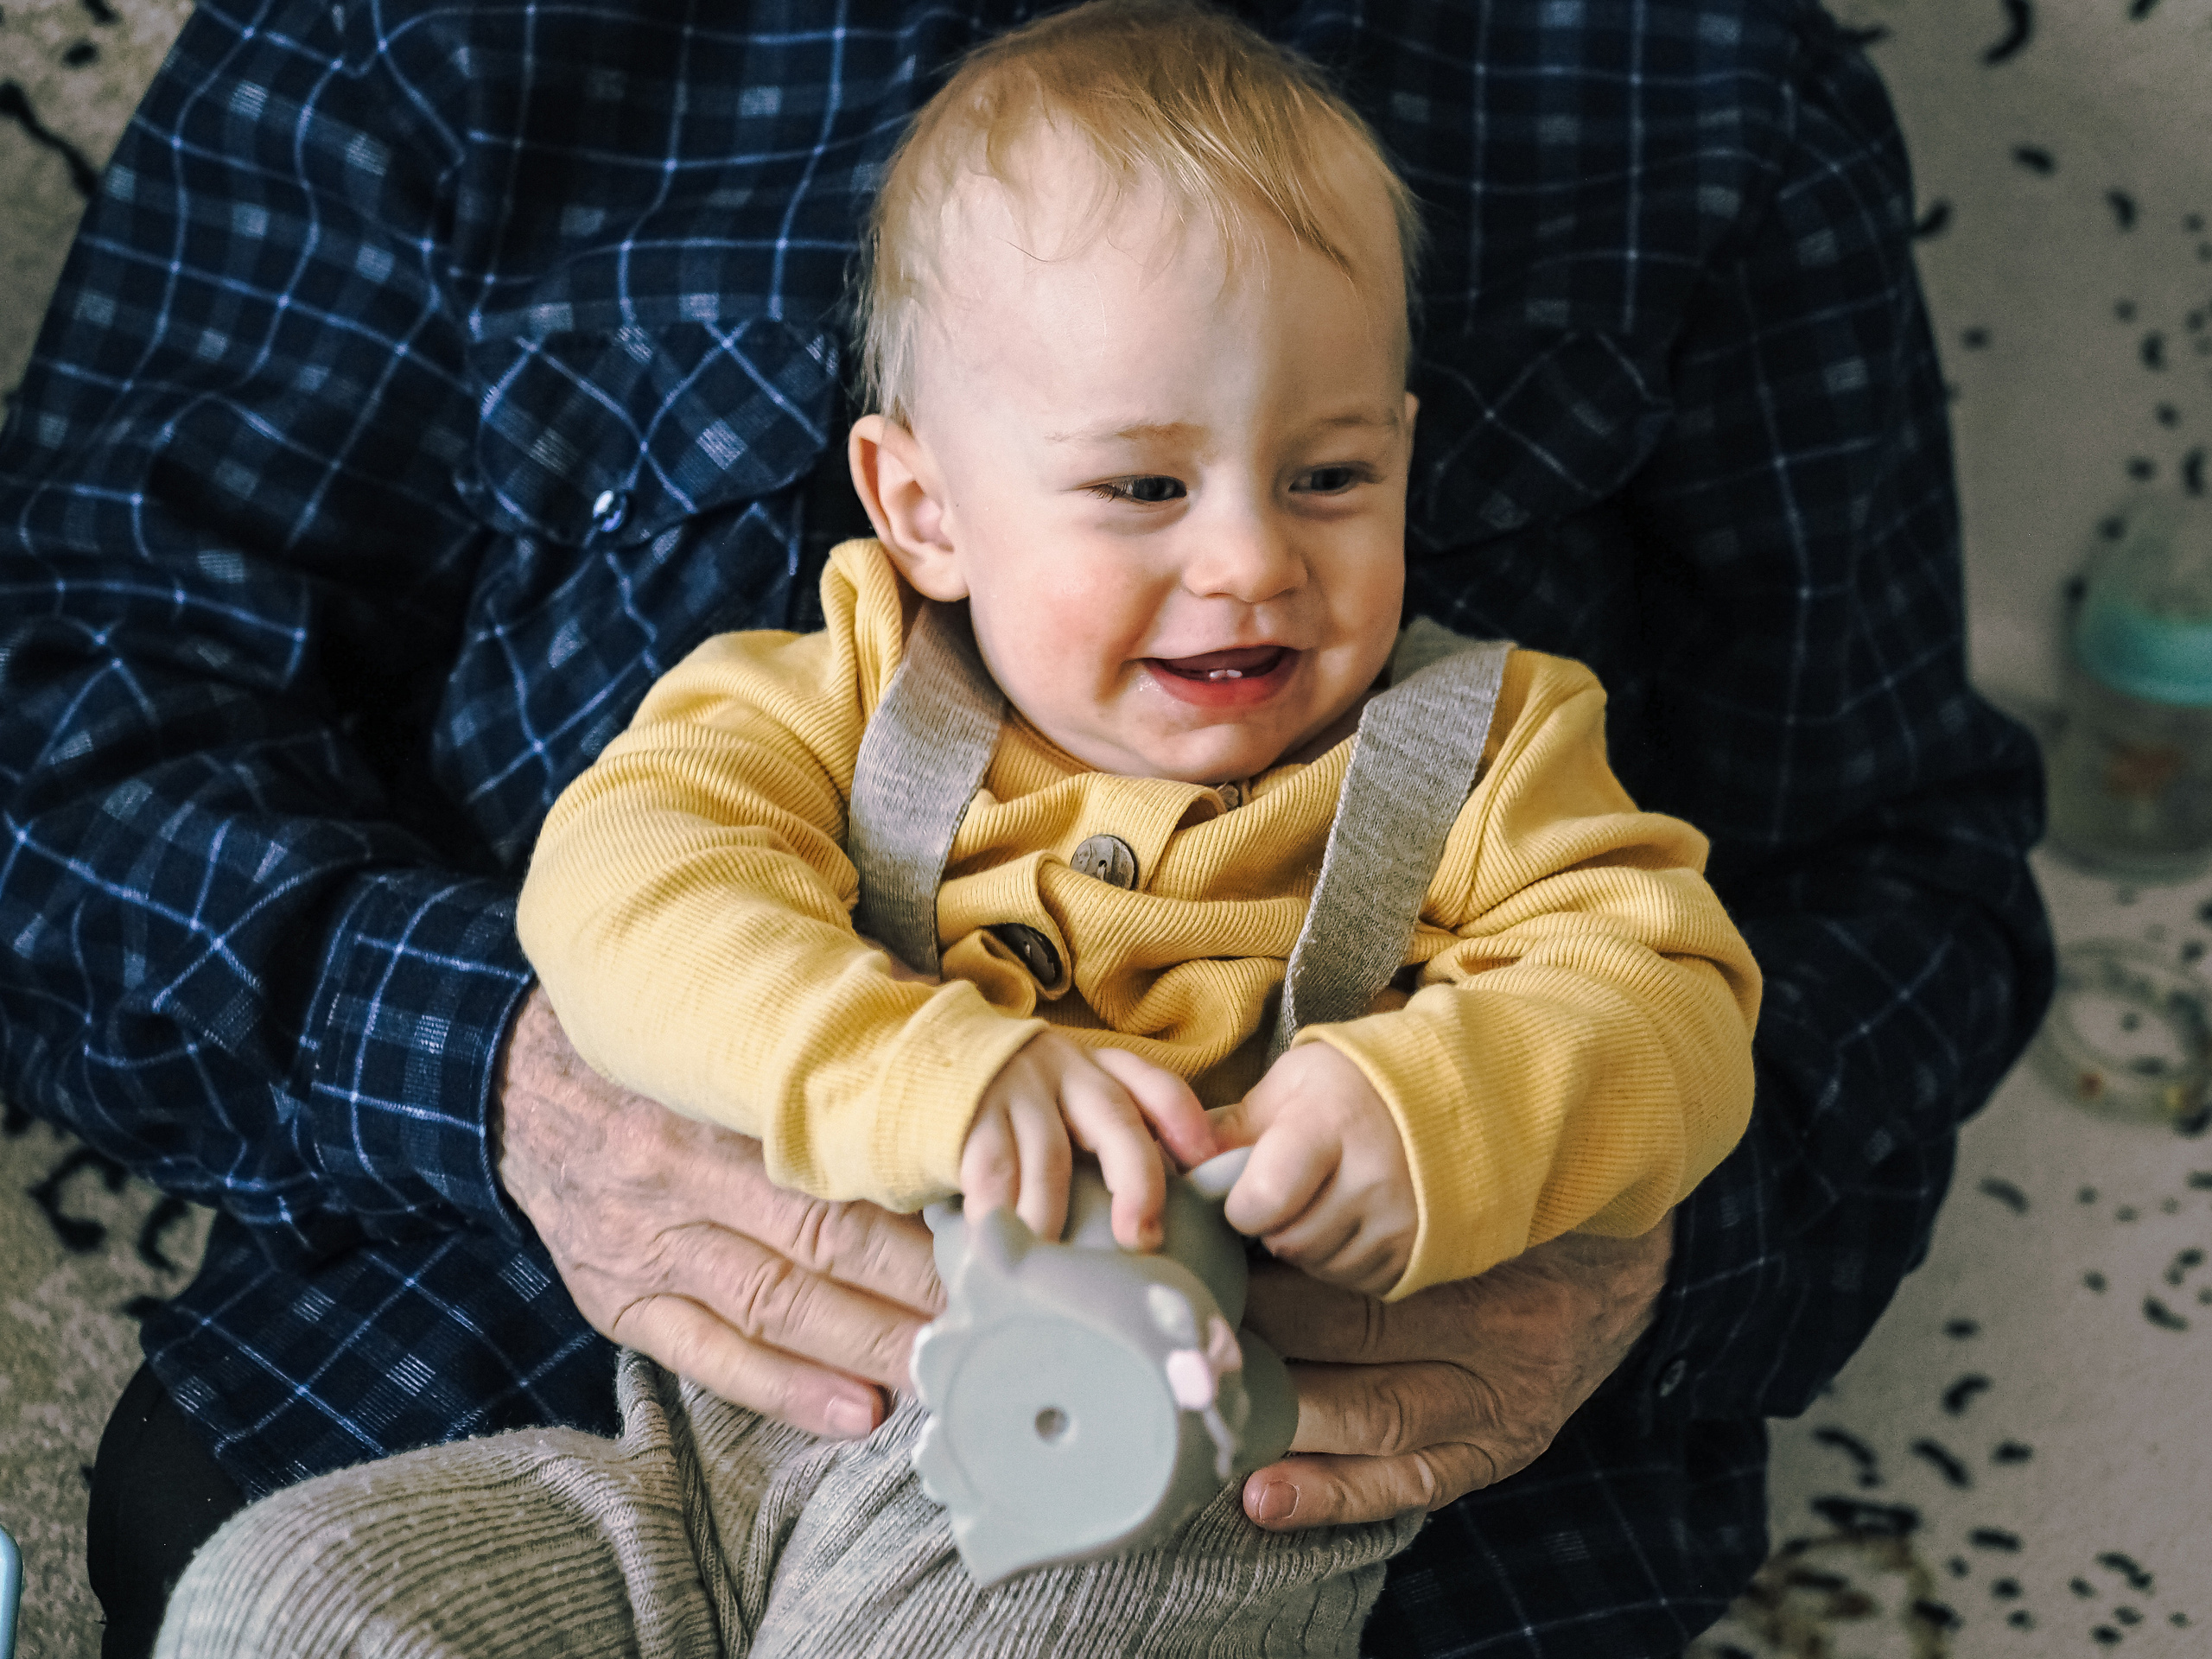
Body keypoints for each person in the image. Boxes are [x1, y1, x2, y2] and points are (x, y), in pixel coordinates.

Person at [0, 0, 2052, 1655]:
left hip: (1184, 1477)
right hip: (657, 1433)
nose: (1247, 562)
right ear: (916, 508)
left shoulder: (1490, 739)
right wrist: (886, 1067)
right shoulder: (823, 689)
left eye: (1330, 477)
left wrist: (1460, 1126)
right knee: (297, 1597)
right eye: (1142, 490)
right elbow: (619, 884)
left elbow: (1692, 969)